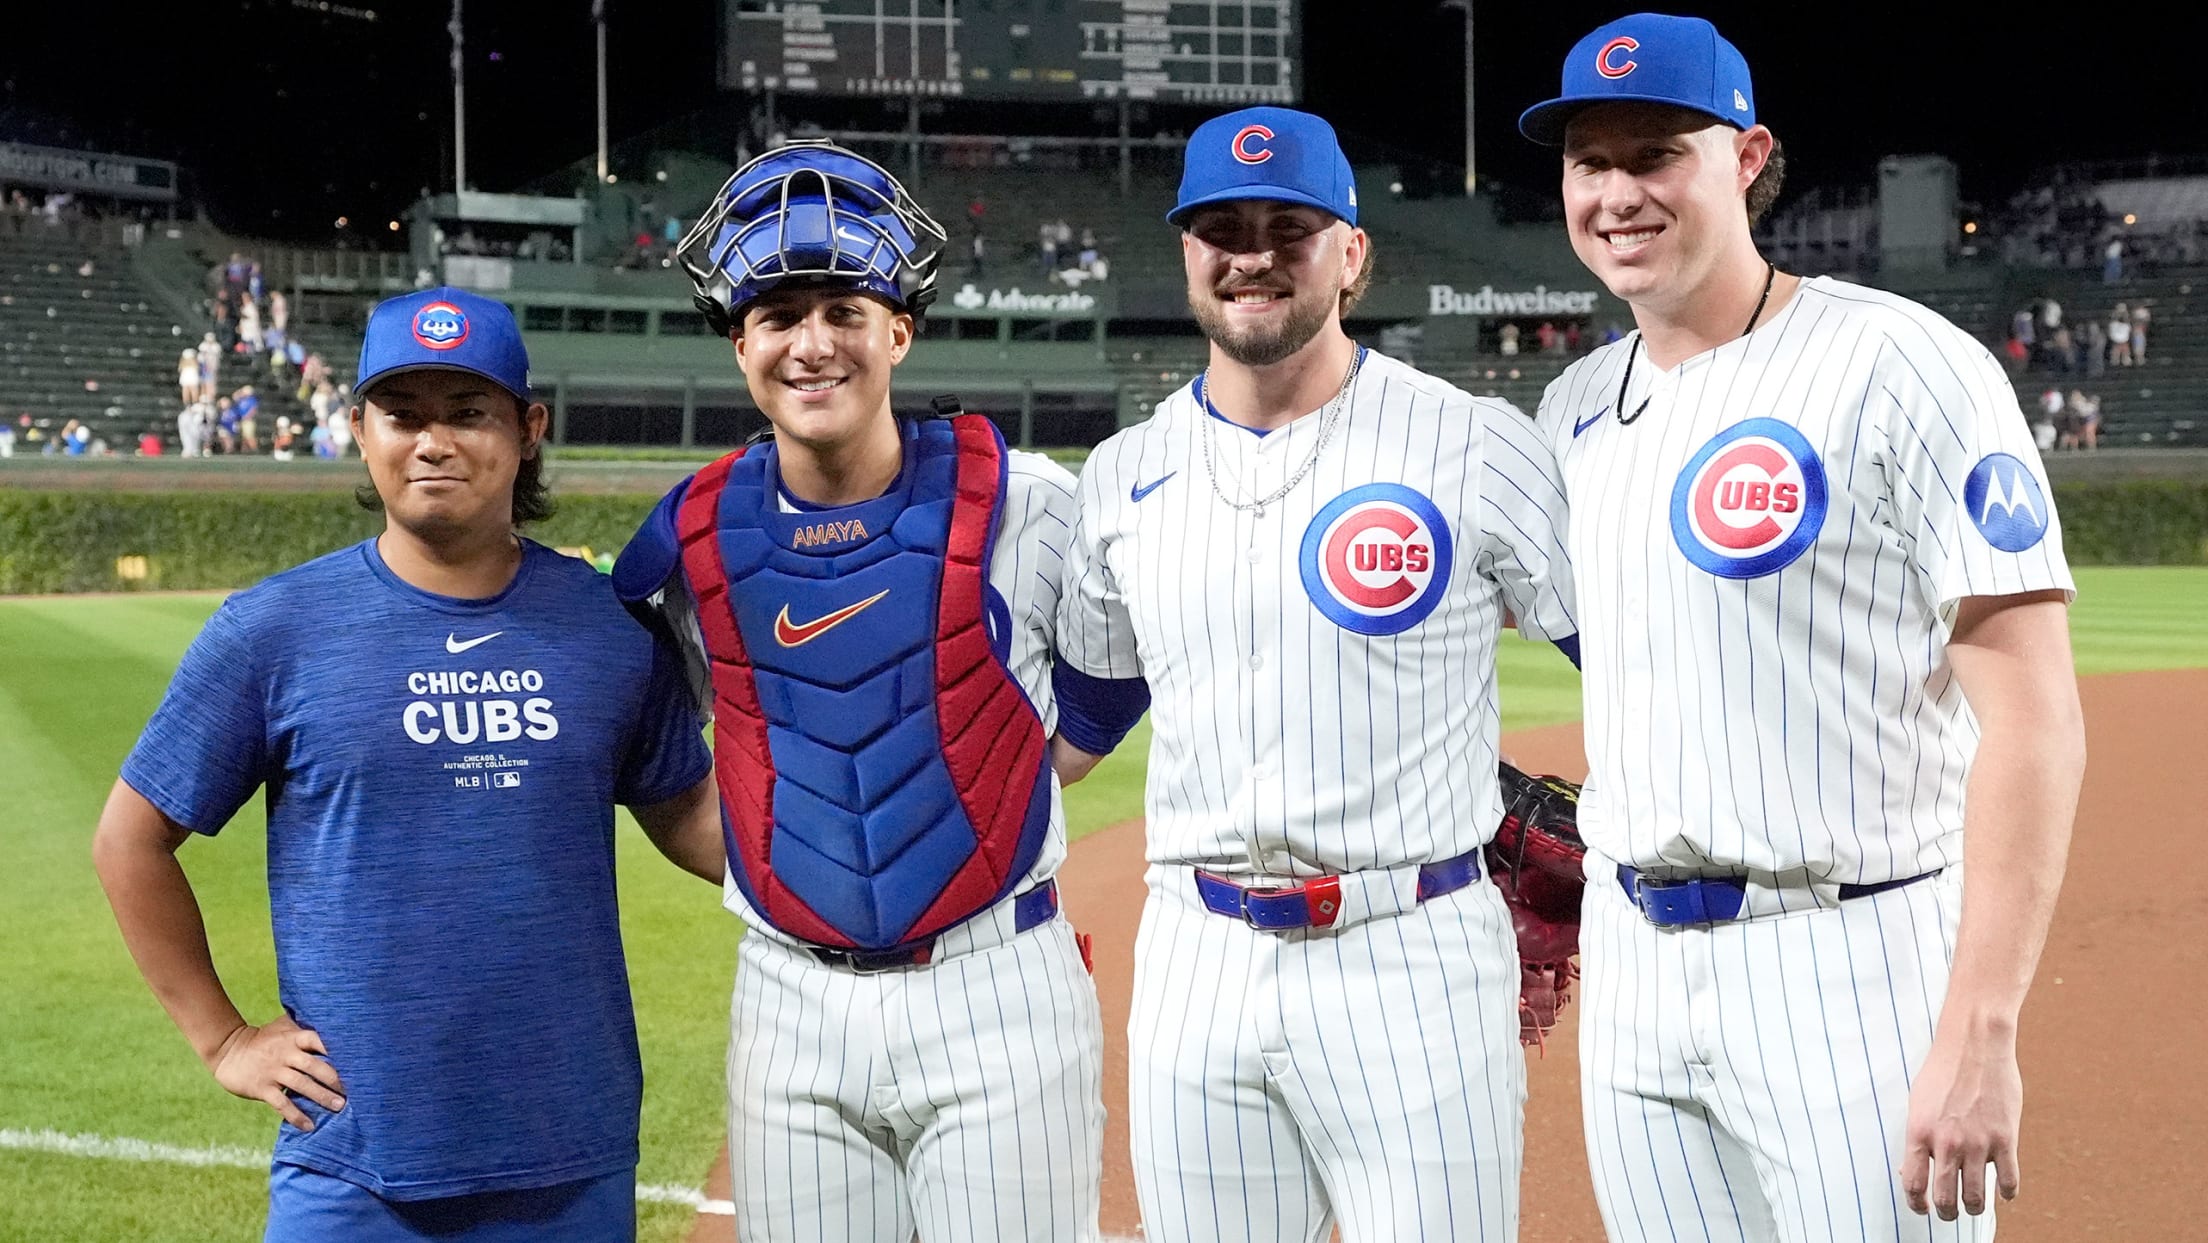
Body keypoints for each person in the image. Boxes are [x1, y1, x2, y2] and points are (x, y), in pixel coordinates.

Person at [1519, 13, 2084, 1239]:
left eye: (1658, 150)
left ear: (1747, 154)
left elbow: (2035, 720)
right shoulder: (1570, 411)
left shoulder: (1899, 365)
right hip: (1637, 979)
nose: (1619, 192)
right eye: (1589, 163)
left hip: (1851, 959)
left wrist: (1982, 1030)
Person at [92, 285, 722, 1243]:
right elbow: (130, 841)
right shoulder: (275, 629)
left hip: (569, 1153)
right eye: (403, 413)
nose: (434, 441)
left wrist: (876, 859)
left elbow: (694, 822)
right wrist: (224, 1038)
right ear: (359, 429)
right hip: (351, 1162)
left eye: (468, 412)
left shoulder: (607, 626)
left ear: (528, 429)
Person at [1055, 106, 1581, 1243]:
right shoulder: (1124, 474)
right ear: (1187, 252)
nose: (1252, 253)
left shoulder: (1477, 442)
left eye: (1289, 227)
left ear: (1351, 254)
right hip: (1196, 959)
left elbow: (1632, 664)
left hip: (1412, 949)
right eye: (1221, 227)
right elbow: (1086, 717)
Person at [615, 141, 1105, 1242]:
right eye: (779, 313)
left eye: (845, 306)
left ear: (900, 327)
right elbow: (648, 753)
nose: (813, 342)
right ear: (740, 342)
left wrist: (1006, 789)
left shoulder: (1032, 503)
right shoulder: (686, 537)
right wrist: (770, 864)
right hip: (791, 1002)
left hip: (997, 986)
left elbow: (1108, 688)